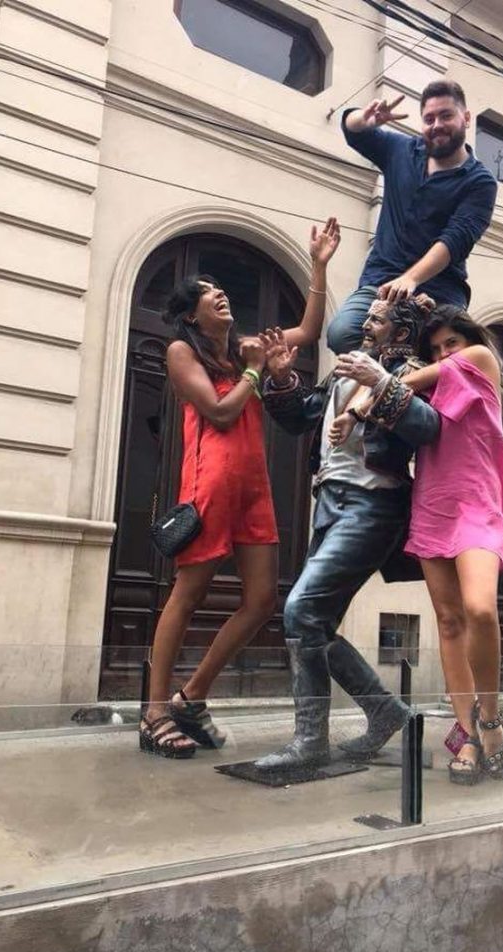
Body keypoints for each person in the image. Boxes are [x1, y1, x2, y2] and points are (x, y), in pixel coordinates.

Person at [140, 218, 340, 758]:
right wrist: (254, 372)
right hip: (210, 484)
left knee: (261, 600)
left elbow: (308, 331)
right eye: (207, 292)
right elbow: (220, 412)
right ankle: (155, 712)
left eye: (220, 288)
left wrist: (318, 265)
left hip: (254, 486)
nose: (218, 293)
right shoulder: (183, 353)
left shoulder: (245, 348)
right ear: (191, 314)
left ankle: (191, 696)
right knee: (188, 595)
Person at [252, 297, 440, 772]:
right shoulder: (345, 369)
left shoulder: (412, 370)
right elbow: (301, 418)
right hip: (329, 503)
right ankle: (384, 712)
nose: (365, 323)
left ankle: (310, 741)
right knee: (312, 623)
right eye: (367, 315)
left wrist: (380, 381)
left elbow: (427, 428)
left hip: (373, 505)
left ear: (400, 334)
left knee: (301, 611)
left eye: (376, 318)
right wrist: (280, 379)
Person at [336, 306, 503, 785]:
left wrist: (371, 392)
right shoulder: (427, 387)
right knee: (449, 621)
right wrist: (356, 411)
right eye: (434, 349)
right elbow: (398, 397)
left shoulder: (479, 359)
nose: (443, 354)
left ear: (468, 341)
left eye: (450, 343)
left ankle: (490, 719)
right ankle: (466, 733)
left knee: (480, 609)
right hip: (434, 502)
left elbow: (405, 382)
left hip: (479, 502)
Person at [326, 79, 497, 356]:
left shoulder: (480, 182)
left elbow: (455, 239)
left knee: (443, 355)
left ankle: (403, 374)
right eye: (429, 119)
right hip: (381, 282)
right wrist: (364, 120)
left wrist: (411, 279)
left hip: (440, 291)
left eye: (446, 116)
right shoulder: (401, 150)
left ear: (466, 118)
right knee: (341, 334)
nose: (437, 125)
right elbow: (351, 129)